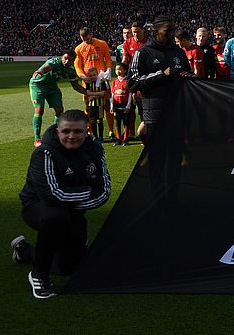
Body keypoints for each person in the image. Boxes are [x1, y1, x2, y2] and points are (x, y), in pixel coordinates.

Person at [11, 109, 110, 299]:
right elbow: (50, 196)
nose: (71, 136)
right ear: (58, 131)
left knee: (68, 268)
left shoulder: (95, 149)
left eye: (78, 131)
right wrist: (86, 191)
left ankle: (25, 251)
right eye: (66, 131)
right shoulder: (44, 152)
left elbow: (104, 191)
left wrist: (76, 204)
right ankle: (39, 275)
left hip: (72, 209)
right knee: (56, 217)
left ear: (87, 131)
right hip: (37, 206)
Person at [127, 17, 193, 204]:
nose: (172, 34)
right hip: (154, 116)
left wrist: (189, 76)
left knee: (175, 160)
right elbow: (132, 82)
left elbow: (190, 75)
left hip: (177, 113)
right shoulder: (143, 52)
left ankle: (173, 198)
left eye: (173, 31)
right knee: (157, 160)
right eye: (167, 31)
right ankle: (157, 199)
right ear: (156, 32)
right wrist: (161, 75)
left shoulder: (178, 52)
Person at [28, 51, 90, 147]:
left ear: (74, 60)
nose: (66, 61)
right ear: (62, 57)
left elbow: (76, 86)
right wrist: (41, 71)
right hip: (38, 85)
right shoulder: (55, 62)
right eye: (65, 58)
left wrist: (88, 93)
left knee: (59, 110)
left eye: (70, 60)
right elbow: (47, 67)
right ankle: (37, 138)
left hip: (52, 87)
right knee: (39, 110)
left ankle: (55, 134)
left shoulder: (71, 70)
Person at [74, 26, 115, 139]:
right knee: (89, 108)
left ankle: (111, 131)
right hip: (88, 82)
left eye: (87, 39)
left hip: (102, 80)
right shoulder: (79, 48)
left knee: (107, 106)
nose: (86, 41)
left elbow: (108, 59)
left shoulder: (102, 44)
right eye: (84, 40)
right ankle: (91, 132)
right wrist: (82, 76)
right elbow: (77, 65)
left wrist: (108, 70)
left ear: (91, 34)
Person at [82, 67, 111, 141]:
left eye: (94, 75)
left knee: (100, 120)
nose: (92, 77)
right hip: (91, 105)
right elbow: (88, 93)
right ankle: (95, 136)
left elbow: (103, 93)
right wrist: (98, 94)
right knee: (92, 120)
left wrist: (92, 96)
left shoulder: (102, 81)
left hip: (100, 104)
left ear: (97, 74)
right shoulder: (88, 83)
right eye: (90, 75)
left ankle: (101, 137)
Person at [109, 62, 135, 145]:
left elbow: (130, 94)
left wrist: (128, 106)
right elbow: (112, 94)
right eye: (116, 70)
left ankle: (125, 139)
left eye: (120, 69)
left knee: (126, 123)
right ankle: (118, 138)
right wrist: (112, 106)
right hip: (117, 106)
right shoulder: (114, 81)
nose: (118, 71)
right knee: (117, 122)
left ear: (125, 70)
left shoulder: (127, 81)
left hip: (125, 107)